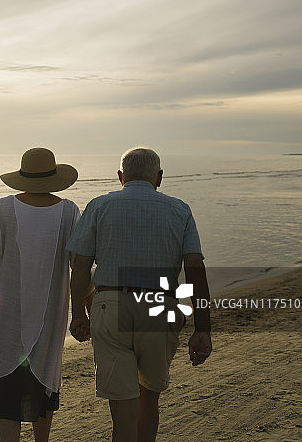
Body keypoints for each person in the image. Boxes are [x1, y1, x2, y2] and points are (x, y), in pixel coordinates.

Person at [67, 147, 212, 442]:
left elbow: (80, 266)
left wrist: (78, 314)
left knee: (122, 408)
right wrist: (203, 327)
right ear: (158, 177)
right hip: (160, 307)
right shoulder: (180, 209)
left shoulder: (98, 206)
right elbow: (195, 268)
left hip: (111, 304)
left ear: (120, 177)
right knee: (149, 398)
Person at [0, 147, 81, 442]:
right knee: (44, 380)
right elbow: (79, 267)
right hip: (50, 314)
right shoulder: (68, 212)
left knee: (7, 388)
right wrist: (83, 311)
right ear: (53, 178)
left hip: (6, 315)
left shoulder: (3, 209)